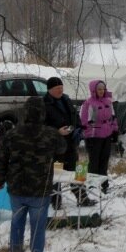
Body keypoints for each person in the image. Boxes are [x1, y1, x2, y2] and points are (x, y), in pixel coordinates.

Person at [0, 96, 66, 252]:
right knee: (38, 228)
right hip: (40, 191)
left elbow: (1, 158)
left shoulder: (12, 134)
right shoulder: (50, 134)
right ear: (43, 113)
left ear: (25, 112)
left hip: (17, 190)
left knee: (17, 224)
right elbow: (63, 148)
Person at [43, 76, 95, 207]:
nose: (60, 90)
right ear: (50, 90)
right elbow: (41, 127)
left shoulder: (66, 99)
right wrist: (57, 131)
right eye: (57, 89)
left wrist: (78, 128)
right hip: (55, 147)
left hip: (71, 143)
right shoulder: (44, 104)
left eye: (61, 88)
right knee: (56, 175)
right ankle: (55, 202)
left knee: (79, 172)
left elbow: (75, 116)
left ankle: (83, 198)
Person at [79, 80, 118, 194]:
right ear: (93, 90)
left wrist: (115, 130)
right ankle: (92, 185)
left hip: (107, 135)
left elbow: (113, 117)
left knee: (104, 161)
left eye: (103, 89)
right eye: (99, 89)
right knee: (94, 162)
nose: (101, 91)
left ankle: (104, 185)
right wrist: (88, 137)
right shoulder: (88, 103)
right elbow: (84, 122)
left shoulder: (108, 102)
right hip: (94, 137)